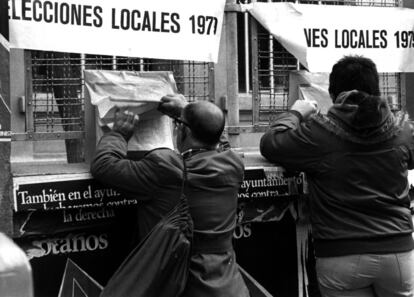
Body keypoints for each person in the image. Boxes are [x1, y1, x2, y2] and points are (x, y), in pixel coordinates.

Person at [260, 55, 414, 297]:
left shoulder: (318, 132)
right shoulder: (401, 127)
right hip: (399, 253)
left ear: (332, 94)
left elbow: (271, 144)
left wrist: (296, 113)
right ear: (376, 89)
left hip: (341, 255)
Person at [91, 95, 249, 297]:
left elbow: (104, 165)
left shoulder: (167, 168)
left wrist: (119, 134)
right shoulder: (234, 165)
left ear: (184, 130)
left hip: (183, 285)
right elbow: (218, 139)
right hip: (228, 285)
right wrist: (186, 111)